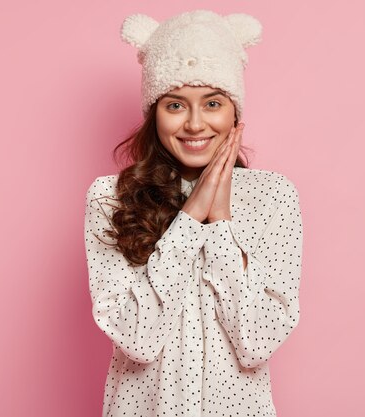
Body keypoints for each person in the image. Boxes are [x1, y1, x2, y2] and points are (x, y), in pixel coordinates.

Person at [84, 10, 303, 417]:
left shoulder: (274, 198)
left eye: (213, 103)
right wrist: (190, 217)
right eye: (175, 105)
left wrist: (219, 224)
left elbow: (256, 343)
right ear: (154, 112)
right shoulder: (109, 198)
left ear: (234, 112)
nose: (195, 124)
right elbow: (137, 339)